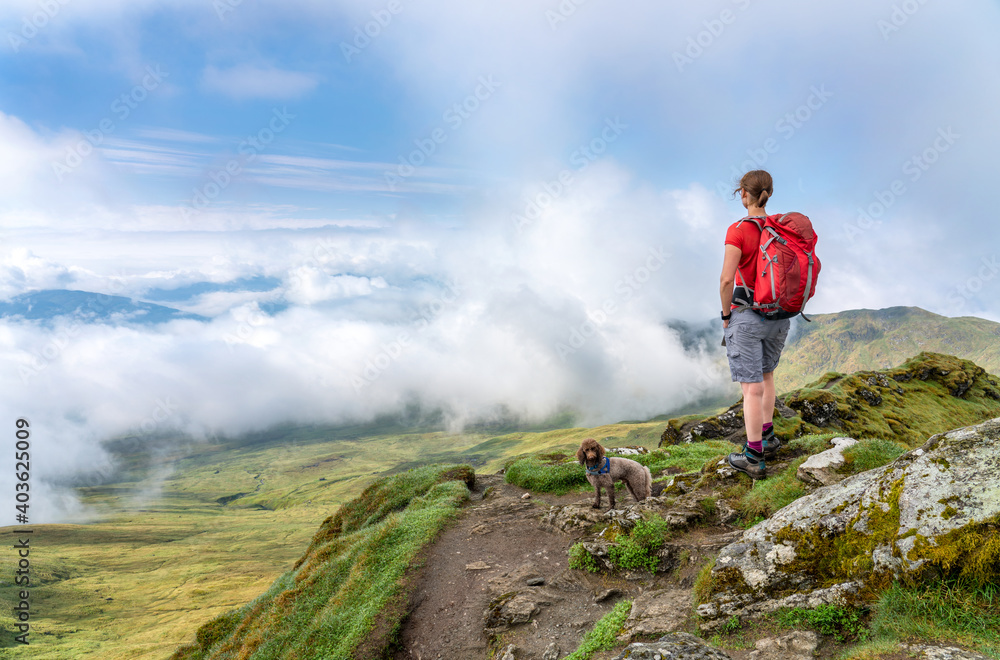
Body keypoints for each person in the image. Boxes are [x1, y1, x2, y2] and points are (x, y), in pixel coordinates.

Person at [719, 170, 789, 480]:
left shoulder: (738, 230)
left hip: (747, 315)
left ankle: (753, 457)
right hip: (779, 316)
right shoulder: (781, 229)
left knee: (751, 389)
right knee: (767, 375)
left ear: (744, 195)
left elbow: (726, 279)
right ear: (769, 194)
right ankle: (769, 436)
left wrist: (725, 316)